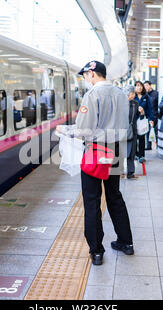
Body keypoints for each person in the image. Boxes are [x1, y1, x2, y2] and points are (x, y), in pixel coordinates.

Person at [56, 60, 133, 266]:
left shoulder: (91, 95)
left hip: (96, 150)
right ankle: (126, 242)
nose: (85, 80)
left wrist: (65, 130)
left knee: (92, 199)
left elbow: (84, 130)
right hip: (115, 150)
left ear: (92, 74)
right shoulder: (121, 94)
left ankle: (96, 250)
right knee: (115, 196)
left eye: (85, 76)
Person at [122, 85, 145, 180]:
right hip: (121, 130)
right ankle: (118, 172)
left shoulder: (135, 104)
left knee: (131, 152)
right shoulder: (119, 103)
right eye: (132, 93)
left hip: (132, 130)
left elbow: (139, 117)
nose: (134, 95)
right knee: (119, 151)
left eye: (133, 93)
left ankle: (130, 172)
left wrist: (142, 113)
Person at [134, 81, 154, 163]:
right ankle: (135, 154)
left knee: (142, 138)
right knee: (134, 138)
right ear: (135, 87)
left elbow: (150, 109)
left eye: (141, 86)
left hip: (142, 120)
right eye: (137, 86)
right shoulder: (132, 96)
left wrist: (151, 119)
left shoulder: (146, 97)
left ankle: (142, 155)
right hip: (133, 120)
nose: (139, 87)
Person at [144, 81, 159, 147]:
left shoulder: (156, 93)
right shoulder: (145, 95)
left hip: (155, 115)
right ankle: (148, 146)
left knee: (155, 131)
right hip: (147, 115)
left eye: (147, 85)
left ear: (150, 85)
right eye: (144, 86)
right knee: (147, 131)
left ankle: (157, 144)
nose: (146, 87)